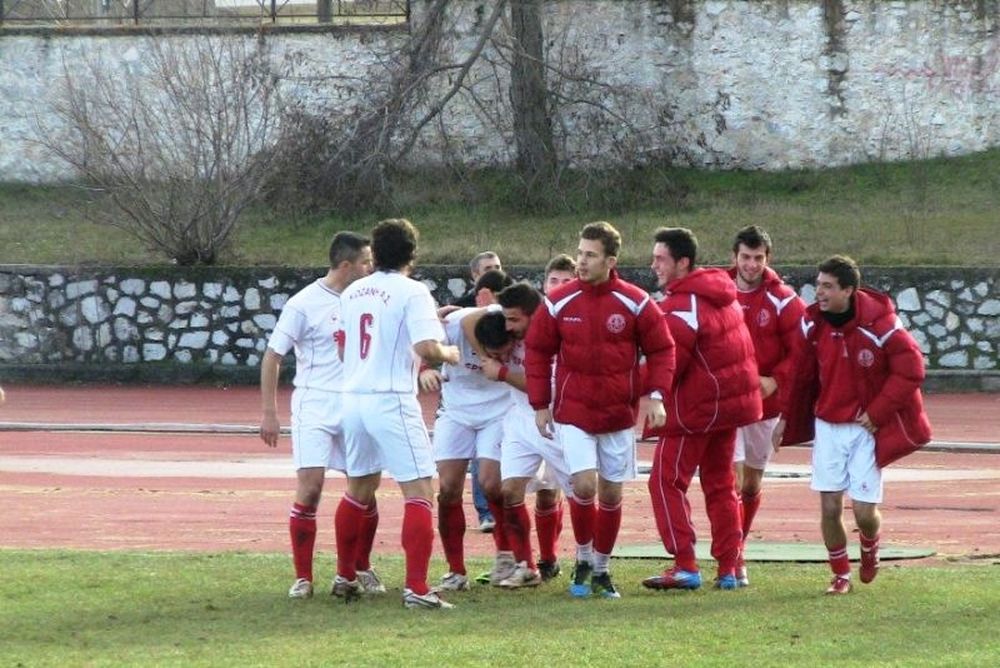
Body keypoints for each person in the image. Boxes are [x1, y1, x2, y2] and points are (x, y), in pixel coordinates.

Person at [526, 222, 676, 599]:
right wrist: (540, 403)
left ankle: (602, 568)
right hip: (573, 412)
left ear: (611, 260)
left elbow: (662, 349)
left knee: (610, 494)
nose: (581, 261)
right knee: (584, 484)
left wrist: (656, 394)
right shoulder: (558, 301)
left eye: (590, 255)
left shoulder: (635, 301)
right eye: (579, 253)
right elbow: (538, 350)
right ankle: (581, 558)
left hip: (617, 415)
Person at [774, 255, 932, 595]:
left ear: (848, 290)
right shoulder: (811, 323)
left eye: (828, 286)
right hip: (827, 426)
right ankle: (840, 574)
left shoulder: (881, 324)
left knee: (863, 512)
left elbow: (912, 370)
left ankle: (870, 545)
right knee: (829, 506)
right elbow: (799, 375)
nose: (819, 292)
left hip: (865, 430)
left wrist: (877, 412)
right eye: (818, 285)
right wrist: (784, 417)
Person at [334, 219, 461, 610]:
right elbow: (426, 346)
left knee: (358, 488)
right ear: (412, 254)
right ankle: (417, 588)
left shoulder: (353, 291)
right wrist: (450, 353)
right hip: (390, 398)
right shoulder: (412, 291)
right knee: (420, 491)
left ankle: (344, 574)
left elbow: (342, 345)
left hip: (353, 395)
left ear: (376, 253)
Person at [259, 231, 381, 599]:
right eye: (364, 262)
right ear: (346, 265)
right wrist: (269, 412)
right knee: (310, 488)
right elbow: (273, 356)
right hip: (315, 404)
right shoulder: (304, 303)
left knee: (364, 490)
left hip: (356, 403)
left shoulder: (372, 297)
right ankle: (303, 577)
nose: (370, 267)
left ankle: (359, 566)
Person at [642, 227, 762, 592]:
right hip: (728, 408)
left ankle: (684, 564)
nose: (654, 266)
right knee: (721, 484)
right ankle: (731, 567)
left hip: (697, 410)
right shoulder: (719, 293)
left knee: (665, 482)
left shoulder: (683, 305)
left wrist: (640, 389)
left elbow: (670, 361)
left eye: (661, 259)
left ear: (683, 262)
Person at [419, 270, 515, 592]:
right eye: (495, 353)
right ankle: (455, 570)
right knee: (447, 488)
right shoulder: (454, 325)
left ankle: (506, 557)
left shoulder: (505, 321)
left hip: (499, 411)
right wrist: (426, 370)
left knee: (492, 484)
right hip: (457, 411)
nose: (502, 357)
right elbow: (422, 342)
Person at [476, 283, 574, 587]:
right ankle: (526, 566)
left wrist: (502, 373)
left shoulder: (555, 338)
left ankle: (583, 561)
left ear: (534, 315)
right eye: (506, 319)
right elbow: (469, 319)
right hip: (519, 420)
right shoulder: (506, 329)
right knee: (510, 491)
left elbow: (546, 388)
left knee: (572, 493)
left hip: (556, 422)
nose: (508, 327)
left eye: (515, 320)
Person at [727, 225, 806, 586]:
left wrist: (776, 379)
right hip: (727, 402)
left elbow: (802, 350)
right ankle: (732, 557)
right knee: (731, 476)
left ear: (767, 259)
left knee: (751, 484)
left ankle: (737, 543)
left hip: (764, 405)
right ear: (734, 257)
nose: (751, 264)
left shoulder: (784, 299)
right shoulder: (717, 290)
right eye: (746, 257)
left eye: (758, 258)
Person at [454, 251, 503, 532]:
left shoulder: (513, 306)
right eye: (486, 268)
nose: (492, 271)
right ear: (474, 275)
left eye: (497, 267)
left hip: (502, 396)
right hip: (467, 399)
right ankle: (486, 512)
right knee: (477, 459)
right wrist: (426, 368)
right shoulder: (458, 308)